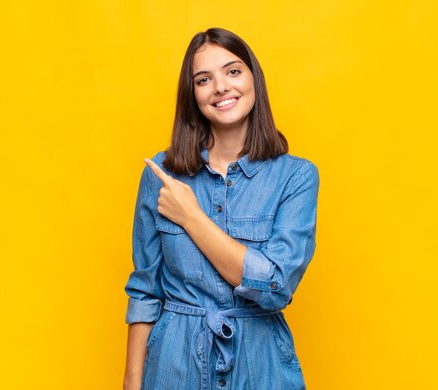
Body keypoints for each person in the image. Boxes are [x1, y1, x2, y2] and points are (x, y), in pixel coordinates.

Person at [123, 27, 319, 390]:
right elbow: (145, 290)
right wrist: (132, 382)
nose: (221, 88)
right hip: (173, 366)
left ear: (253, 79)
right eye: (203, 79)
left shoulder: (296, 177)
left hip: (260, 367)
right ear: (192, 94)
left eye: (233, 71)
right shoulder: (162, 174)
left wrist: (191, 217)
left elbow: (275, 284)